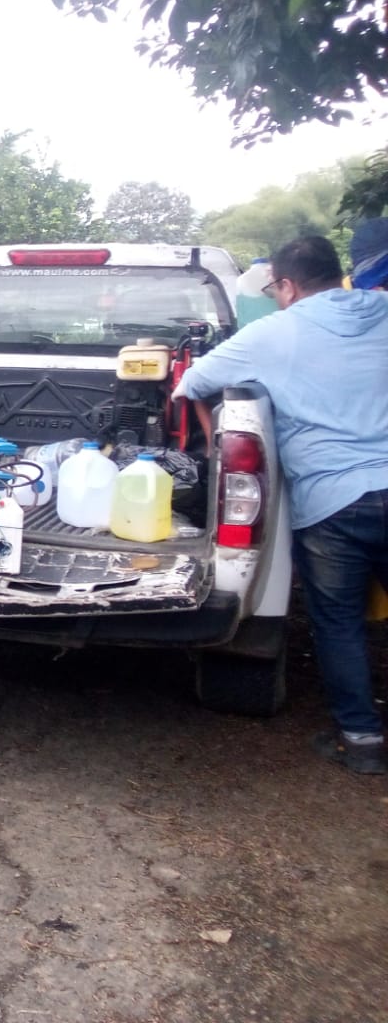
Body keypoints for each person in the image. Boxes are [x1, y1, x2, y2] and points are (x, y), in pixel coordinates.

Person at [175, 234, 388, 775]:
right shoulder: (383, 310)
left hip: (334, 503)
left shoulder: (275, 332)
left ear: (287, 285)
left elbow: (192, 382)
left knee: (338, 623)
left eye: (274, 289)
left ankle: (362, 742)